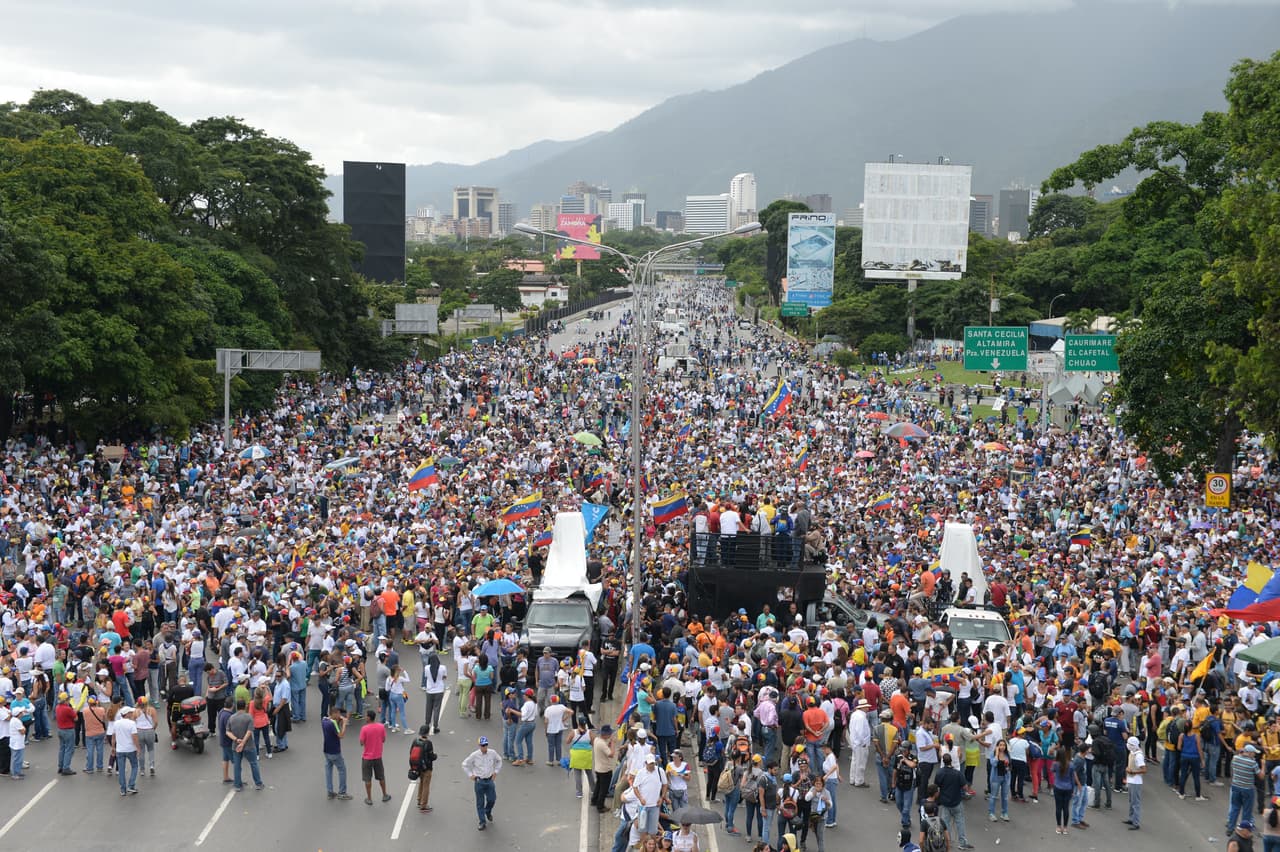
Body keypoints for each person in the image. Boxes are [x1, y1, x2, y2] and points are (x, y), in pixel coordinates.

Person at [462, 735, 503, 831]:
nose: (484, 747)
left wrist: (496, 772)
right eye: (482, 745)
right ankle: (482, 821)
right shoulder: (475, 755)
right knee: (480, 802)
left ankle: (487, 811)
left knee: (492, 799)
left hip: (489, 780)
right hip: (479, 781)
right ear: (479, 746)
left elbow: (499, 760)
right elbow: (465, 764)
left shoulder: (492, 753)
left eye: (486, 745)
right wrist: (470, 775)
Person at [226, 698, 265, 792]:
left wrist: (236, 740)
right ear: (245, 706)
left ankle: (237, 785)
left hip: (236, 745)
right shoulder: (248, 717)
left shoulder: (231, 718)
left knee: (237, 766)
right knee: (253, 763)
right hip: (248, 745)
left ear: (236, 706)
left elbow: (227, 732)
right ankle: (258, 783)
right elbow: (249, 731)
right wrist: (243, 742)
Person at [359, 707, 392, 805]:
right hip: (378, 756)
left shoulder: (364, 729)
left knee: (367, 778)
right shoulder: (381, 727)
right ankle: (385, 794)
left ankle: (369, 798)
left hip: (367, 758)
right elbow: (383, 740)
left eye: (366, 716)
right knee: (381, 777)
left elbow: (361, 742)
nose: (365, 718)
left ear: (369, 718)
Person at [322, 707, 352, 800]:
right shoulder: (333, 723)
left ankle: (330, 792)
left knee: (328, 770)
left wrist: (339, 720)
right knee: (342, 770)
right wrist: (344, 724)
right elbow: (341, 735)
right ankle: (342, 792)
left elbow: (334, 729)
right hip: (335, 751)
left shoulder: (324, 720)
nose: (339, 716)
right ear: (334, 713)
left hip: (326, 750)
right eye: (338, 714)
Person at [112, 705, 140, 796]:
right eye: (131, 712)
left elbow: (113, 737)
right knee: (135, 766)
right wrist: (138, 748)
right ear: (127, 714)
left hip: (120, 750)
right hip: (130, 749)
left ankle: (123, 789)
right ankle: (131, 785)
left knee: (121, 769)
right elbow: (134, 737)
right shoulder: (132, 724)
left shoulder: (116, 723)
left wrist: (113, 748)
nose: (132, 714)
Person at [409, 724, 437, 813]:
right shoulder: (428, 743)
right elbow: (431, 756)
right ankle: (423, 805)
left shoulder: (415, 741)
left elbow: (411, 752)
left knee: (421, 782)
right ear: (427, 733)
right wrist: (435, 756)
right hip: (427, 768)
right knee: (426, 786)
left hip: (418, 767)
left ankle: (419, 800)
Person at [592, 725, 618, 812]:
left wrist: (609, 743)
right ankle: (600, 806)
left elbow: (605, 748)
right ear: (605, 734)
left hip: (598, 767)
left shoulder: (597, 740)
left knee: (598, 785)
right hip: (605, 769)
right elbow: (611, 754)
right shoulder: (602, 744)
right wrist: (613, 744)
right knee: (604, 789)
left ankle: (594, 800)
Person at [1122, 735, 1145, 830]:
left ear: (1134, 745)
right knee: (1131, 801)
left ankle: (1136, 822)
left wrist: (1132, 772)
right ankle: (1131, 818)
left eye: (1130, 744)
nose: (1128, 745)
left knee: (1135, 802)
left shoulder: (1139, 755)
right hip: (1131, 780)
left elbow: (1144, 770)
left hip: (1136, 781)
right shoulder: (1132, 752)